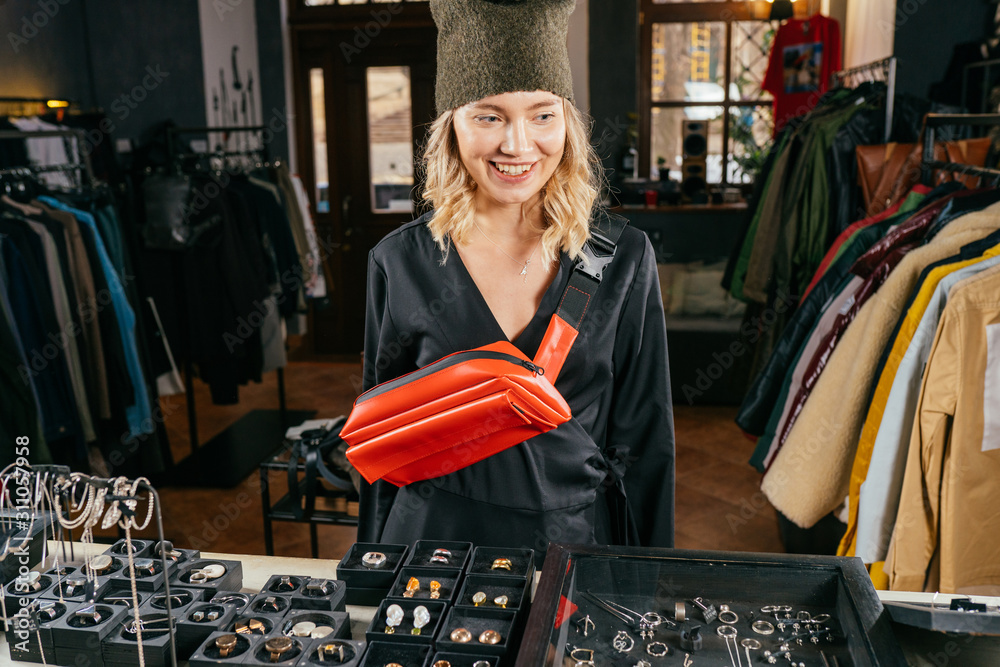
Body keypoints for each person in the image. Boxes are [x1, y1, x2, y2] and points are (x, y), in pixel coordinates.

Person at [355, 0, 674, 559]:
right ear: (450, 124)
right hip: (432, 547)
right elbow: (382, 441)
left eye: (543, 114)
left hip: (571, 550)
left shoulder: (623, 258)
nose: (519, 146)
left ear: (568, 123)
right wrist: (373, 569)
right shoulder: (399, 262)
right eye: (489, 116)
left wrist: (649, 579)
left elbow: (646, 445)